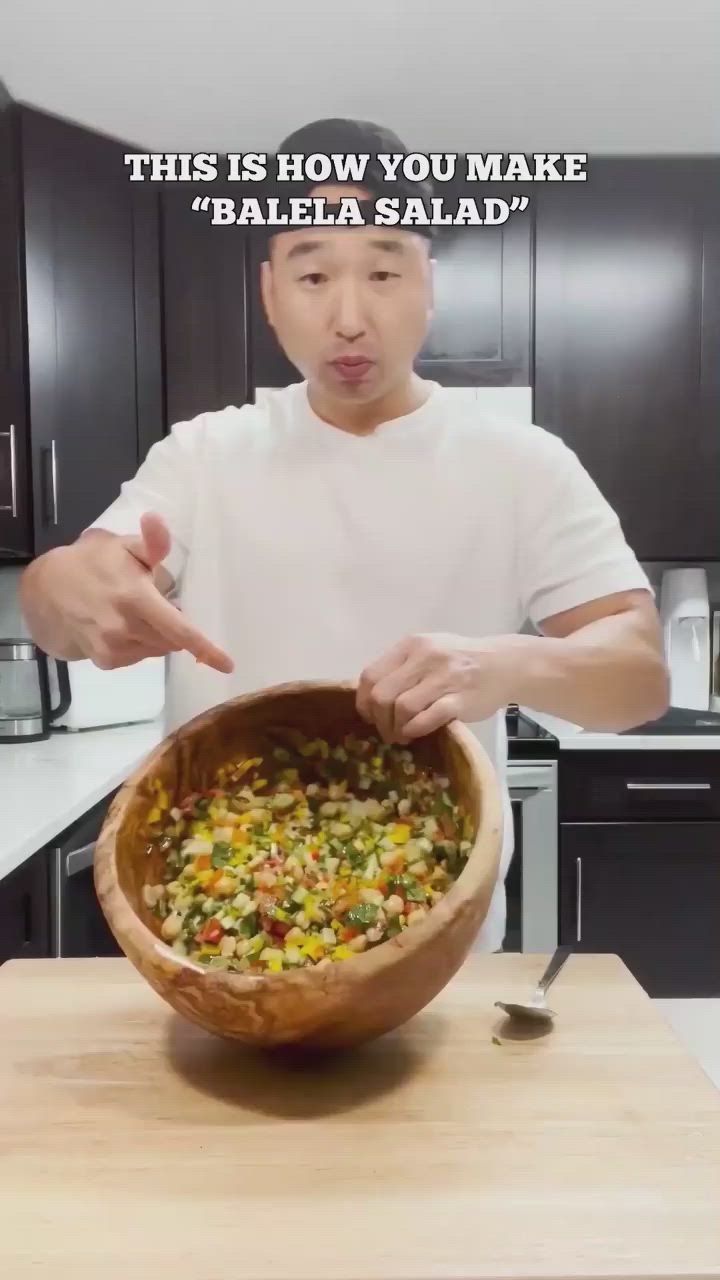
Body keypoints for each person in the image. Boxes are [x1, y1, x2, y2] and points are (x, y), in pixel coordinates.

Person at [19, 118, 669, 952]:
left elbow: (640, 675)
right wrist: (64, 587)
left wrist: (502, 666)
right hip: (225, 942)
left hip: (435, 953)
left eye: (384, 269)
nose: (350, 318)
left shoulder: (522, 464)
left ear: (429, 285)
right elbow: (64, 588)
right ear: (269, 291)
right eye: (315, 272)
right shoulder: (202, 455)